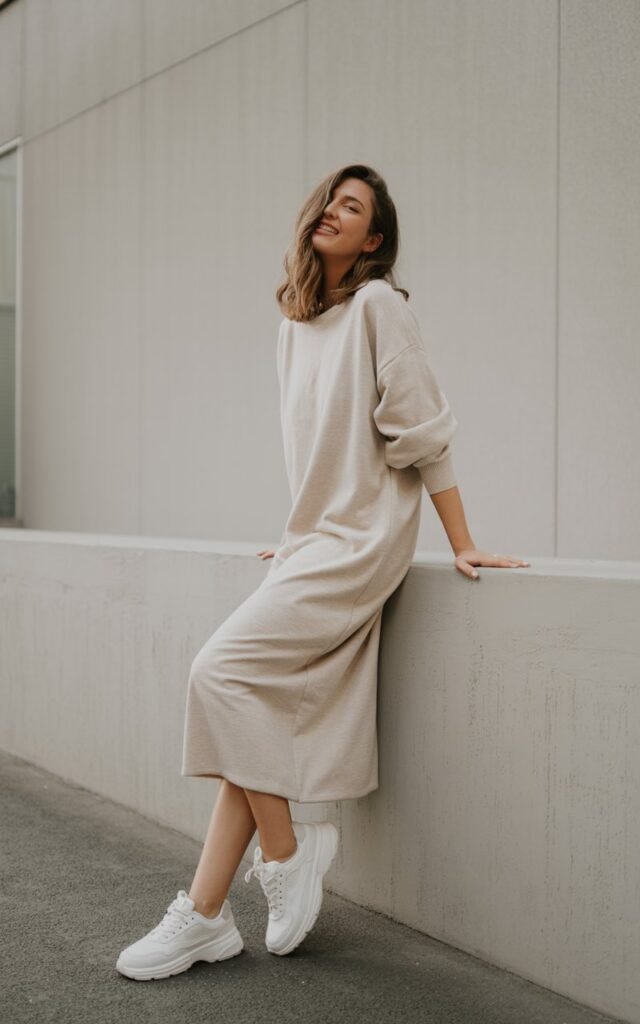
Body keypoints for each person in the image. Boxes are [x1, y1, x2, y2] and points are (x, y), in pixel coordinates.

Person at [116, 163, 530, 981]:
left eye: (355, 209)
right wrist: (295, 533)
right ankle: (203, 915)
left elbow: (423, 432)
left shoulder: (381, 307)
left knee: (219, 673)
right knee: (250, 715)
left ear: (374, 240)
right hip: (314, 543)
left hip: (362, 545)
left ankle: (288, 849)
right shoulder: (292, 326)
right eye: (330, 201)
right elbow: (312, 455)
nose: (334, 213)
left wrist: (462, 539)